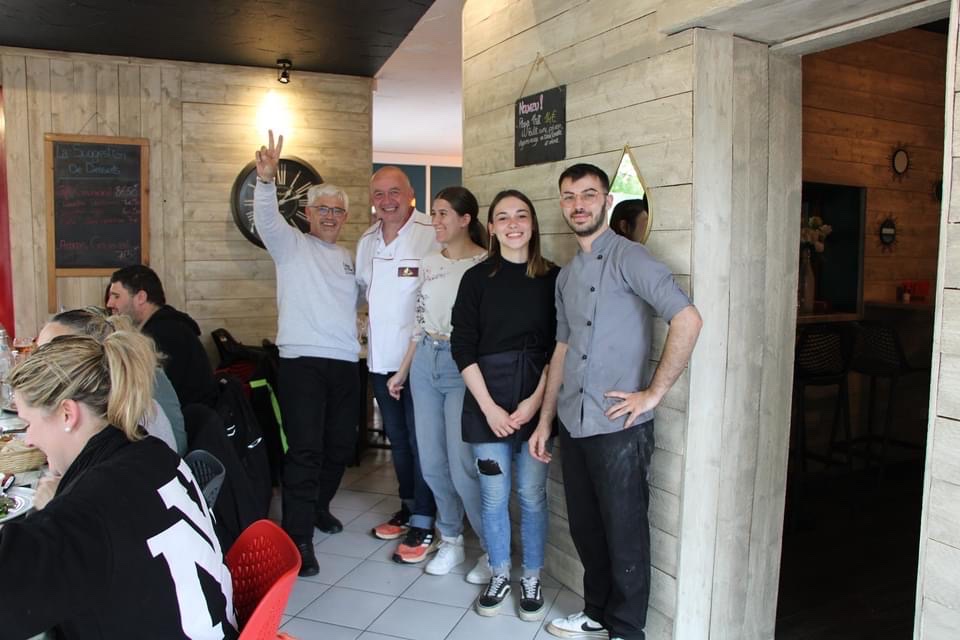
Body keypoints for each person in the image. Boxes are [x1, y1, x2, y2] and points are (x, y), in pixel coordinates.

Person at [533, 164, 702, 640]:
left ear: (606, 202)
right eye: (570, 197)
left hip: (619, 426)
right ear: (562, 205)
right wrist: (546, 421)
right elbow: (562, 350)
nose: (579, 204)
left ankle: (627, 630)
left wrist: (653, 394)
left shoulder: (633, 258)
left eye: (588, 194)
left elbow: (687, 319)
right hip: (574, 421)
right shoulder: (567, 276)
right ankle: (596, 614)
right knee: (587, 529)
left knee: (625, 533)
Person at [0, 332, 237, 639]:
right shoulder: (156, 453)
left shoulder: (86, 512)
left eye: (29, 423)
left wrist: (54, 510)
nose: (28, 440)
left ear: (67, 414)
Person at [252, 131, 361, 576]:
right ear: (308, 214)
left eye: (338, 211)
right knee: (305, 452)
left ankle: (317, 506)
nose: (331, 216)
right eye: (323, 210)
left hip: (346, 363)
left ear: (345, 217)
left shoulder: (350, 257)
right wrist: (265, 180)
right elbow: (266, 220)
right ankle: (299, 537)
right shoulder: (291, 245)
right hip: (301, 363)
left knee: (340, 446)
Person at [451, 189, 559, 621]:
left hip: (536, 402)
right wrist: (489, 409)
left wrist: (536, 403)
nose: (513, 224)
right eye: (503, 217)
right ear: (492, 228)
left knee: (531, 495)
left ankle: (531, 576)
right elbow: (462, 347)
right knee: (494, 495)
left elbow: (560, 348)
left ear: (532, 223)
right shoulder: (476, 280)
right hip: (486, 403)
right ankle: (499, 572)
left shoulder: (554, 278)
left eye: (521, 215)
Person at [386, 186, 489, 575]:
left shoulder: (486, 264)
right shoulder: (429, 262)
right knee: (430, 462)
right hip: (425, 360)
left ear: (465, 219)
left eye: (443, 213)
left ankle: (491, 551)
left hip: (462, 364)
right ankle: (451, 540)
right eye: (434, 213)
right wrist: (403, 370)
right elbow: (419, 320)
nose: (436, 221)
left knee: (462, 466)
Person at [356, 165, 439, 563]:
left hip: (419, 360)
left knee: (423, 441)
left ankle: (426, 519)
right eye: (379, 194)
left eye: (394, 192)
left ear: (410, 195)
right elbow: (364, 294)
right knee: (399, 440)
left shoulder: (430, 232)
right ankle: (408, 506)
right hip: (380, 361)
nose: (386, 201)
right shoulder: (366, 240)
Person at [37, 307, 187, 455]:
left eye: (49, 354)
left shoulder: (109, 409)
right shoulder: (110, 394)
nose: (37, 364)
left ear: (85, 354)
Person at [107, 264, 219, 408]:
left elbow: (144, 396)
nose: (109, 303)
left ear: (141, 297)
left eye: (116, 296)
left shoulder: (163, 336)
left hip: (187, 419)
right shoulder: (167, 326)